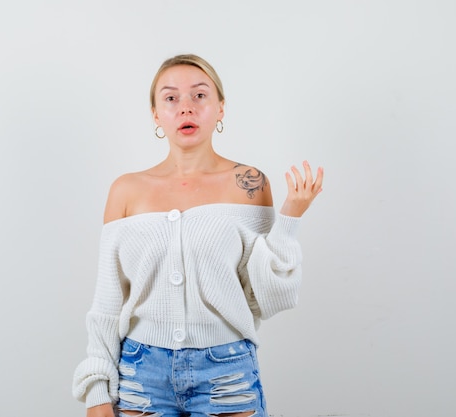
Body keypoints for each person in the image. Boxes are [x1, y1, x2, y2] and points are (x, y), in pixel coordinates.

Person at [73, 53, 324, 417]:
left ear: (220, 108)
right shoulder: (126, 190)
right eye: (171, 98)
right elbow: (108, 301)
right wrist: (96, 389)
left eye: (200, 96)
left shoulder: (249, 185)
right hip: (141, 376)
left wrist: (290, 218)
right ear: (156, 114)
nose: (186, 108)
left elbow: (268, 298)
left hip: (227, 373)